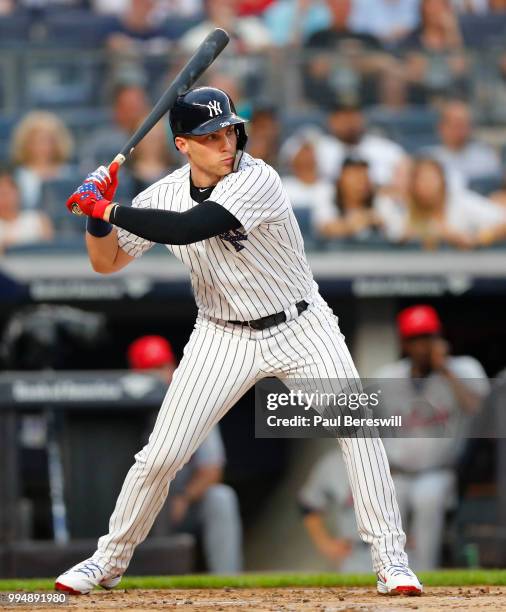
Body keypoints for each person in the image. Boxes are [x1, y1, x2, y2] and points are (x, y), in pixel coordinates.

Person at [55, 86, 422, 596]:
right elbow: (106, 263)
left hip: (301, 324)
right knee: (161, 456)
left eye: (229, 129)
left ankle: (392, 561)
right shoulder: (159, 194)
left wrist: (108, 209)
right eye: (210, 135)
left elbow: (191, 228)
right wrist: (97, 220)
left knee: (356, 429)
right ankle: (106, 562)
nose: (226, 142)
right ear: (183, 144)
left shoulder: (258, 178)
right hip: (221, 333)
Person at [373, 305, 489, 570]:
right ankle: (390, 574)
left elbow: (479, 410)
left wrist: (446, 371)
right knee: (387, 522)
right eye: (415, 339)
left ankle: (424, 579)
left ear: (439, 338)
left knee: (428, 502)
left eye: (428, 337)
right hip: (397, 473)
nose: (423, 345)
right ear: (404, 344)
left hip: (438, 471)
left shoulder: (464, 368)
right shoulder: (387, 377)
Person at [127, 334, 243, 574]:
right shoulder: (121, 409)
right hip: (134, 507)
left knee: (221, 498)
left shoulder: (196, 404)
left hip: (178, 506)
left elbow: (212, 470)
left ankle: (229, 582)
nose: (160, 375)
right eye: (150, 370)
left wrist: (183, 497)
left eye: (163, 367)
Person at [375, 157, 506, 248]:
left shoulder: (461, 201)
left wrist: (478, 239)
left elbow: (502, 222)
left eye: (431, 178)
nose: (427, 184)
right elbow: (394, 235)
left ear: (442, 181)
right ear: (412, 184)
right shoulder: (401, 206)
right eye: (421, 179)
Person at [298, 450, 370, 573]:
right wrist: (324, 543)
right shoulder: (333, 464)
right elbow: (308, 505)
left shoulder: (403, 455)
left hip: (405, 553)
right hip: (357, 555)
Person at [314, 102, 406, 186]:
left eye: (353, 116)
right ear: (331, 121)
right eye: (342, 117)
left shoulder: (387, 149)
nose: (349, 123)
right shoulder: (316, 150)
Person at [424, 99, 502, 187]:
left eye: (465, 125)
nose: (460, 131)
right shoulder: (428, 158)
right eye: (456, 125)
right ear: (441, 127)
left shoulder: (486, 156)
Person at [9, 111, 75, 210]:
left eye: (48, 140)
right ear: (26, 144)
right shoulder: (18, 177)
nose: (43, 146)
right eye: (37, 141)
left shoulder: (68, 173)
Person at [0, 165, 53, 251]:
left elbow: (49, 250)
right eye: (2, 194)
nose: (5, 199)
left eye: (8, 193)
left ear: (18, 194)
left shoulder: (38, 219)